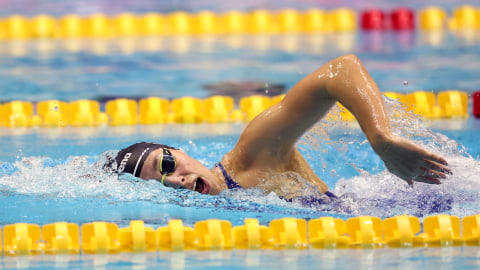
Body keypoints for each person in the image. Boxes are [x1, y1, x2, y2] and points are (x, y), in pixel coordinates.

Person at [109, 54, 452, 202]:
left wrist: (383, 142)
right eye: (162, 185)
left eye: (167, 165)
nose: (177, 181)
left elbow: (341, 70)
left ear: (180, 151)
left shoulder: (251, 157)